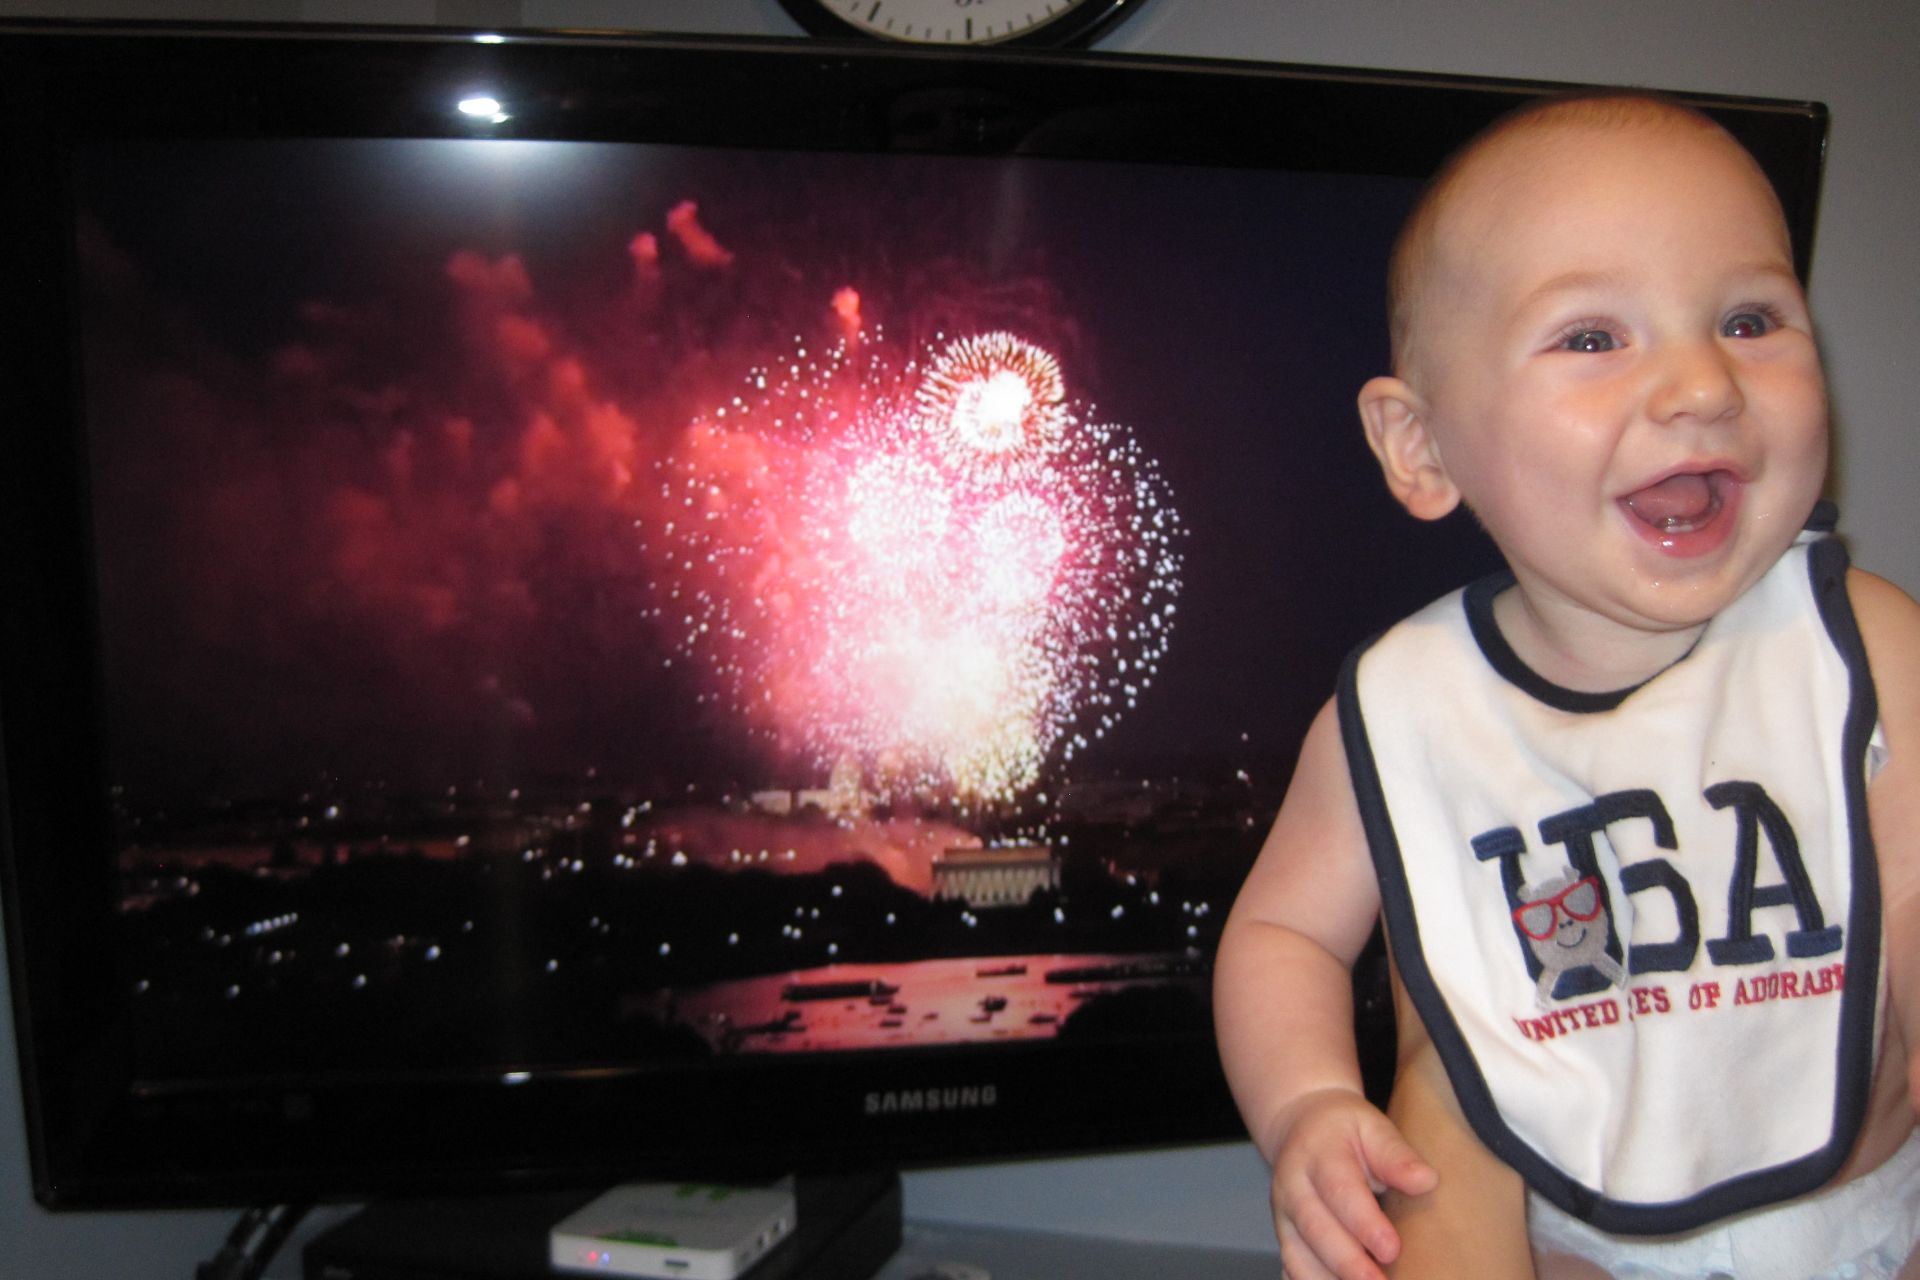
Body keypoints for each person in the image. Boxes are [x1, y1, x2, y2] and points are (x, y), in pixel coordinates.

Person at [1213, 90, 1920, 1280]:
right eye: (1593, 337)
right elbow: (1282, 931)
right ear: (1423, 446)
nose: (1701, 383)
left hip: (1860, 1219)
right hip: (1569, 1239)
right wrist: (1309, 1104)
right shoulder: (1406, 709)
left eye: (1749, 319)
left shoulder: (1860, 644)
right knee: (1440, 1137)